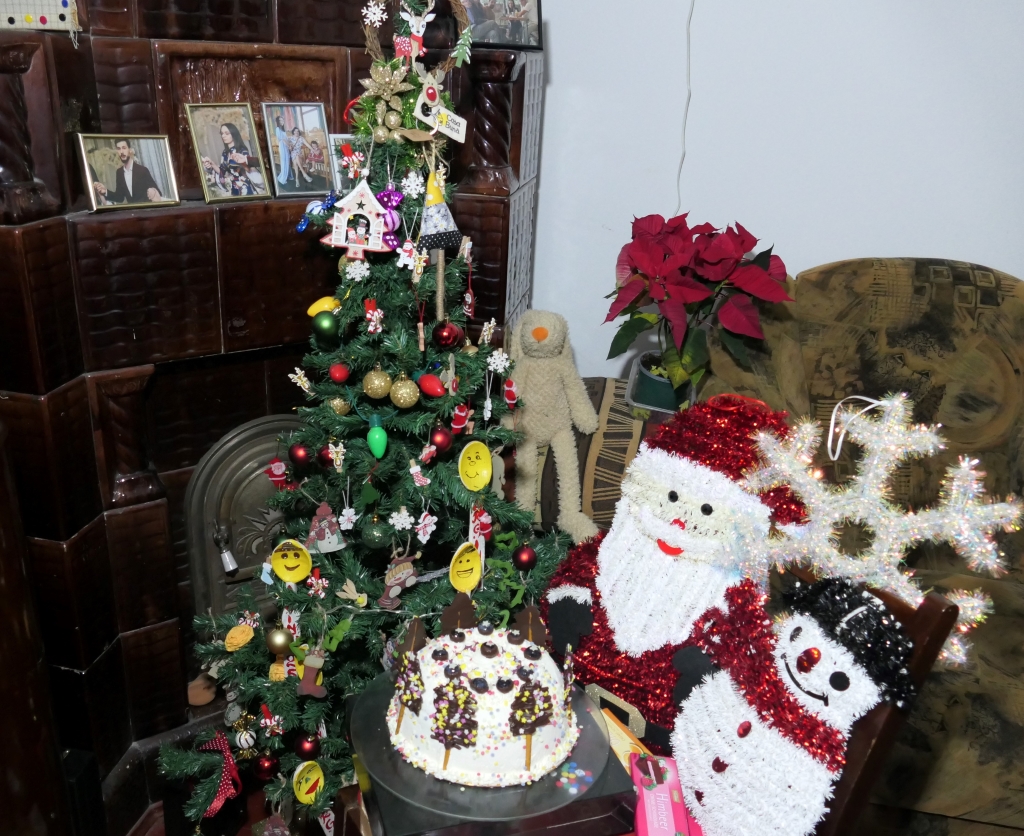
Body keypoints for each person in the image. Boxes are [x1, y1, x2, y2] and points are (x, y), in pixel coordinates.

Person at [201, 123, 264, 197]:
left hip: (245, 187)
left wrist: (244, 163)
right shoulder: (225, 153)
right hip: (234, 188)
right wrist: (212, 164)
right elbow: (222, 172)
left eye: (226, 133)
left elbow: (249, 169)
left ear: (234, 134)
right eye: (222, 133)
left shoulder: (242, 150)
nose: (223, 136)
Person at [92, 138, 162, 205]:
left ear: (130, 150)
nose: (121, 152)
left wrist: (153, 191)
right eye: (119, 149)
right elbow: (119, 198)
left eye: (124, 148)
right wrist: (105, 191)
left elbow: (158, 193)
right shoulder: (119, 173)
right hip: (131, 212)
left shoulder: (142, 170)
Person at [273, 115, 291, 188]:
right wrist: (289, 145)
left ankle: (286, 175)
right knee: (284, 162)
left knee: (287, 161)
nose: (282, 121)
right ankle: (283, 178)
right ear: (278, 122)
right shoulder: (277, 129)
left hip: (285, 146)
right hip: (283, 146)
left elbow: (286, 139)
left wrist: (289, 144)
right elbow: (282, 139)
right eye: (280, 120)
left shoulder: (283, 130)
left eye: (282, 120)